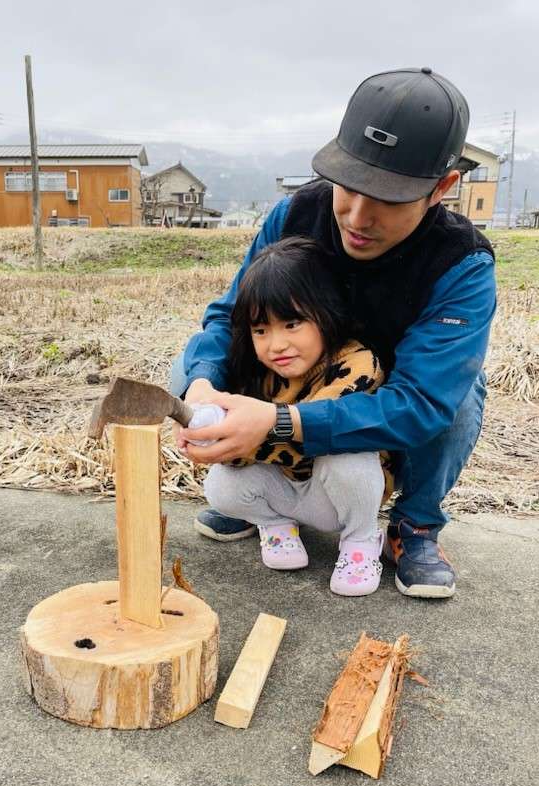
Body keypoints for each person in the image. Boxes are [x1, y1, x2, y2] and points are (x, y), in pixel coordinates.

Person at [172, 67, 497, 599]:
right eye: (349, 186)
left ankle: (413, 527)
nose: (357, 216)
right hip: (299, 376)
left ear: (442, 189)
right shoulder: (297, 212)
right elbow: (231, 316)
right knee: (190, 366)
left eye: (388, 198)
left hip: (381, 392)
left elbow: (422, 402)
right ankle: (268, 500)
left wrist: (278, 424)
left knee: (462, 398)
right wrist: (204, 387)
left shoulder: (461, 264)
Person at [202, 236, 392, 596]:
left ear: (327, 312)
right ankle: (274, 525)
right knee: (219, 484)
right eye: (261, 330)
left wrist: (253, 434)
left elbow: (327, 425)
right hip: (286, 492)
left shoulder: (356, 362)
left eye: (292, 324)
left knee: (349, 457)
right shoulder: (256, 373)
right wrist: (214, 438)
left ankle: (361, 541)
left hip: (338, 496)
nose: (276, 345)